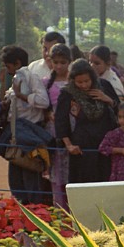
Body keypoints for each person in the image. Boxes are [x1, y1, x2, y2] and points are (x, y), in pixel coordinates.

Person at [55, 58, 118, 185]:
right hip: (81, 148)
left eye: (87, 81)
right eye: (79, 82)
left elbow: (120, 111)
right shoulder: (67, 93)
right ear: (73, 80)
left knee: (104, 182)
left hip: (105, 145)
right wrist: (69, 145)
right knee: (83, 184)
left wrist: (107, 99)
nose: (84, 85)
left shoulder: (104, 86)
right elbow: (61, 121)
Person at [0, 45, 50, 203]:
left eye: (8, 66)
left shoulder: (30, 77)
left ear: (16, 63)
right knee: (16, 176)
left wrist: (22, 96)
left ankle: (34, 212)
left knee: (30, 174)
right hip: (17, 133)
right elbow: (6, 100)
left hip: (29, 132)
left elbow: (43, 101)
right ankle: (21, 210)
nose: (7, 69)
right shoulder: (16, 78)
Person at [43, 44, 72, 207]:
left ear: (69, 62)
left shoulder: (75, 81)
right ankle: (59, 208)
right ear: (51, 62)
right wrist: (48, 114)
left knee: (70, 171)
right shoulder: (46, 83)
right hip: (53, 130)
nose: (59, 66)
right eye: (56, 62)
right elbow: (42, 106)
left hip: (71, 128)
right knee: (56, 172)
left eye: (63, 62)